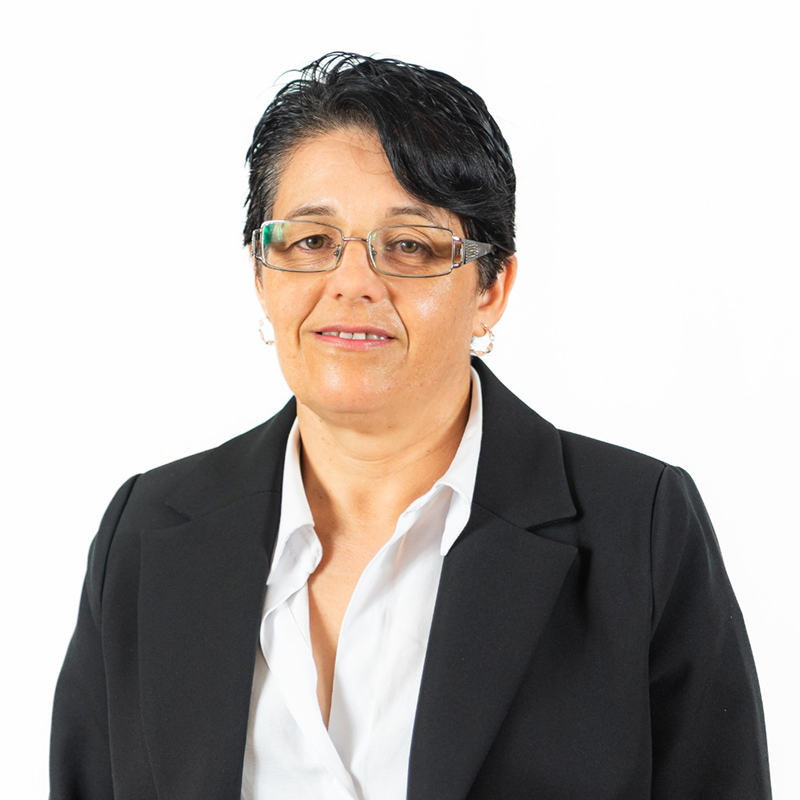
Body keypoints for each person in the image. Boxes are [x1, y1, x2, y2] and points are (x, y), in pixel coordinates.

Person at [49, 52, 771, 800]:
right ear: (262, 274)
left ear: (491, 288)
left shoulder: (639, 530)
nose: (352, 283)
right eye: (311, 241)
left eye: (410, 246)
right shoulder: (146, 530)